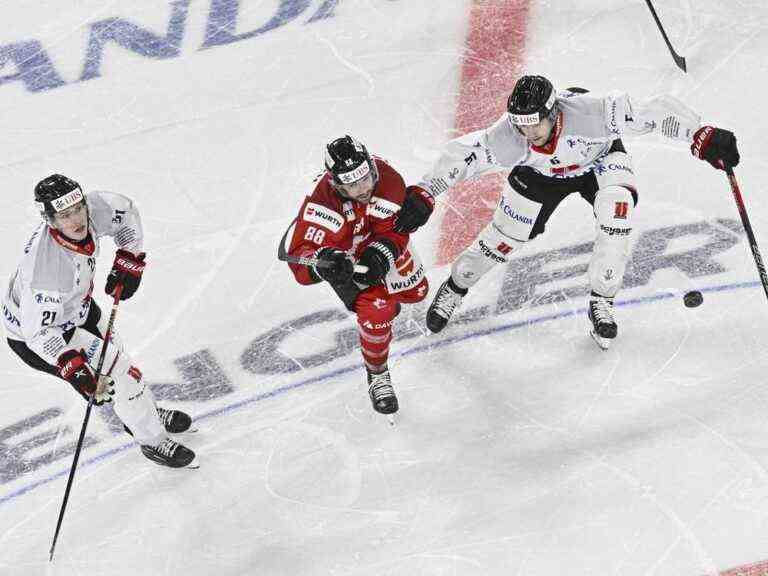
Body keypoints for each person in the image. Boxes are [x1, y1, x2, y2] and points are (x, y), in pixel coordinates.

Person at [394, 75, 740, 349]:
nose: (526, 132)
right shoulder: (509, 138)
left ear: (553, 111)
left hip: (599, 161)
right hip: (540, 175)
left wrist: (701, 134)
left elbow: (654, 112)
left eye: (533, 123)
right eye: (519, 123)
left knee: (615, 216)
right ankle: (456, 287)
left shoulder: (592, 114)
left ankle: (602, 300)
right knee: (503, 238)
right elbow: (462, 155)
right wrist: (426, 192)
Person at [2, 174, 198, 468]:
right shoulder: (46, 272)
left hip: (78, 308)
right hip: (44, 337)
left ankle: (143, 413)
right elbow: (38, 332)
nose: (77, 220)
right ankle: (152, 440)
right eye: (65, 215)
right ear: (50, 220)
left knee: (122, 362)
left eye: (79, 208)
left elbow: (126, 213)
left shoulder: (96, 209)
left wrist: (129, 257)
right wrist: (72, 365)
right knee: (122, 373)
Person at [284, 135, 428, 414]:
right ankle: (377, 374)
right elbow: (300, 265)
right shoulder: (321, 204)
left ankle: (382, 297)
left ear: (372, 167)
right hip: (343, 257)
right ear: (335, 185)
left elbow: (395, 230)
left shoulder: (388, 179)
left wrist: (381, 252)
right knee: (379, 310)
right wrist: (323, 262)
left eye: (365, 178)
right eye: (350, 184)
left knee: (416, 292)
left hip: (374, 242)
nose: (362, 188)